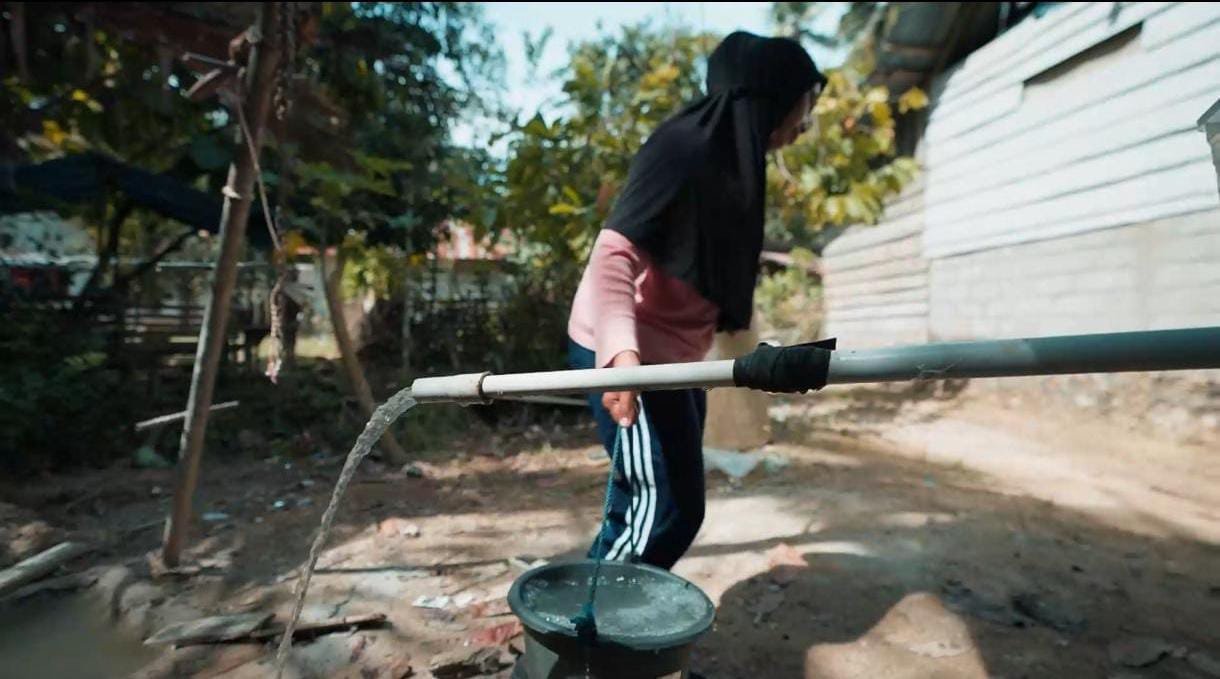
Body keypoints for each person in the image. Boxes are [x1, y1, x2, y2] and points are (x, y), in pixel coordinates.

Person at [568, 31, 826, 570]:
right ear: (774, 95)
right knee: (662, 508)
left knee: (670, 506)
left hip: (677, 361)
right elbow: (613, 254)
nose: (806, 123)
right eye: (805, 103)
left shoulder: (739, 165)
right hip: (627, 352)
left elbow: (712, 282)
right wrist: (621, 361)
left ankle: (617, 609)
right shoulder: (683, 147)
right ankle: (594, 617)